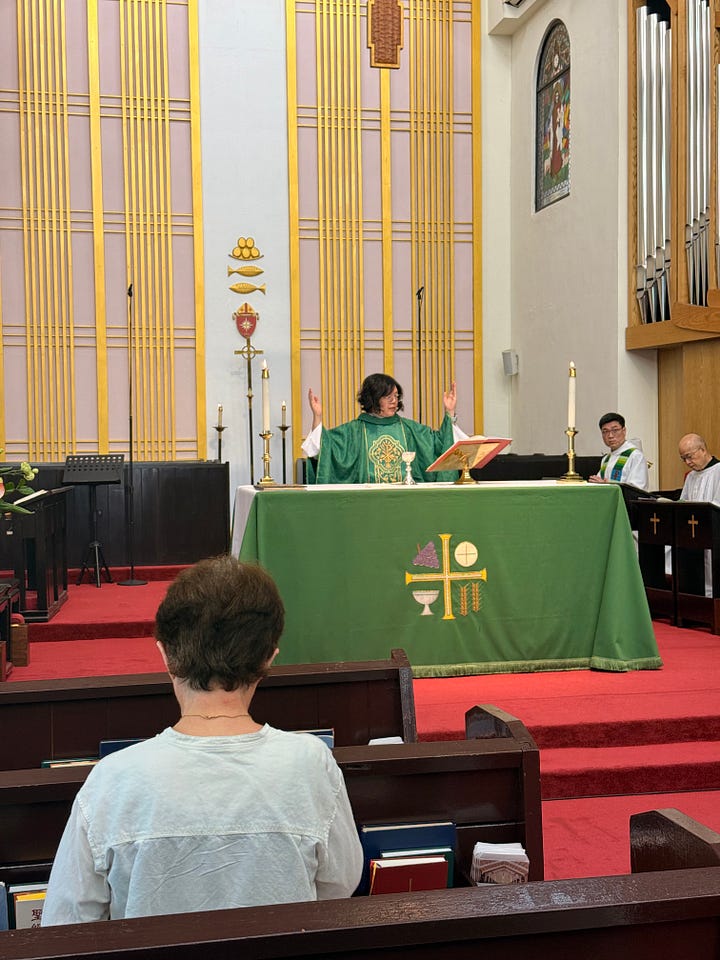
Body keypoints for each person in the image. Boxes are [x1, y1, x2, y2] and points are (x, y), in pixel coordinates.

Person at [42, 556, 363, 924]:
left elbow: (66, 922)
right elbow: (338, 886)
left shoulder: (113, 778)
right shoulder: (311, 764)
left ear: (165, 656)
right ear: (268, 658)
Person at [301, 372, 468, 483]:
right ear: (373, 399)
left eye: (396, 396)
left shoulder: (409, 430)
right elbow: (323, 446)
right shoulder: (354, 431)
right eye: (388, 397)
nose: (394, 401)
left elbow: (442, 444)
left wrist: (449, 412)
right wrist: (317, 416)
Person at [588, 412, 649, 490]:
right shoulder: (606, 458)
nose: (610, 436)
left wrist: (606, 485)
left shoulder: (635, 456)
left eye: (615, 430)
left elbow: (637, 489)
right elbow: (600, 483)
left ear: (624, 431)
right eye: (605, 431)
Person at [678, 433, 720, 505]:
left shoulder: (718, 470)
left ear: (703, 450)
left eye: (689, 456)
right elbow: (683, 504)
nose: (687, 462)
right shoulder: (690, 476)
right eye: (684, 458)